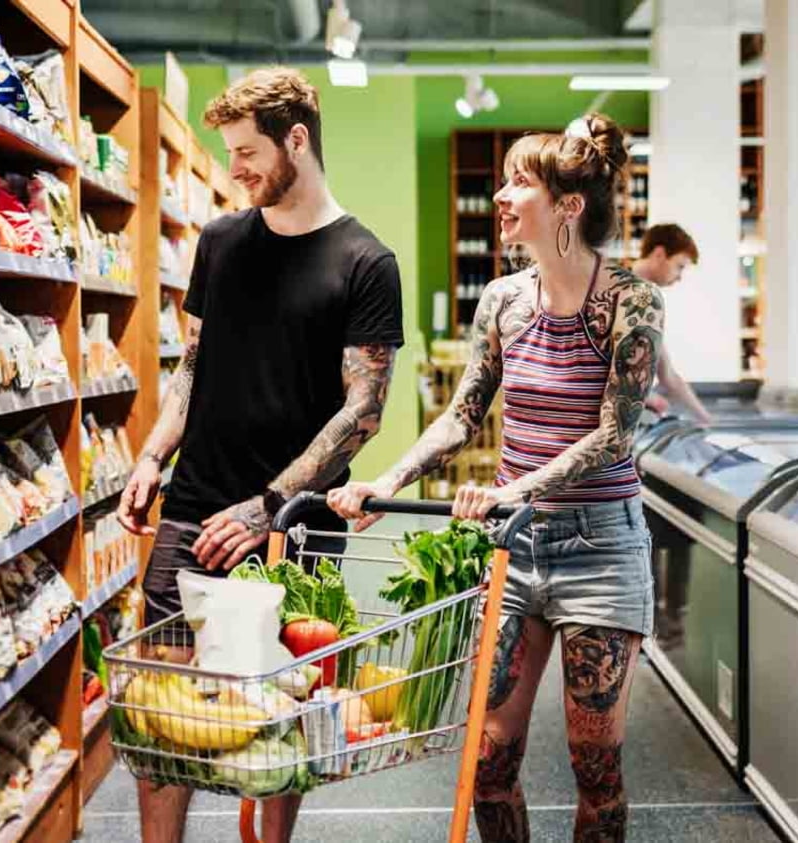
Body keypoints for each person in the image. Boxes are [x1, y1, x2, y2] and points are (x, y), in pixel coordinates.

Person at [329, 113, 663, 843]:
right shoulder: (503, 302)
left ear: (569, 206)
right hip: (513, 548)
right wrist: (382, 480)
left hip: (601, 547)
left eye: (521, 182)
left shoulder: (631, 301)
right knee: (488, 758)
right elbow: (461, 416)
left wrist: (515, 487)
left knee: (595, 766)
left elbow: (615, 436)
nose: (504, 197)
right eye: (504, 180)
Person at [115, 67, 405, 843]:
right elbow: (192, 365)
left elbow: (363, 412)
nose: (236, 169)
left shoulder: (365, 263)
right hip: (194, 503)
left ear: (297, 140)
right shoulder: (218, 241)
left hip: (295, 527)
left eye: (248, 152)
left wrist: (269, 504)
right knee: (162, 708)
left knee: (284, 713)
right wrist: (150, 455)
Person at [630, 224, 715, 424]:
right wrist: (641, 397)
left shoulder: (647, 297)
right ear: (659, 254)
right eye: (679, 266)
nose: (679, 277)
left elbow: (666, 374)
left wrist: (705, 419)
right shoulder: (631, 293)